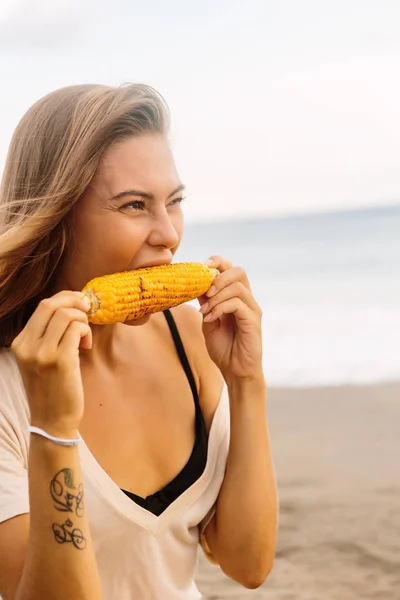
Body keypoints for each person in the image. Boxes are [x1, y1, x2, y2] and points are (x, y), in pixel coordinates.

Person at [0, 83, 278, 600]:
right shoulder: (8, 390)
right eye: (133, 205)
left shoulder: (191, 335)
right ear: (57, 220)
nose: (168, 234)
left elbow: (248, 562)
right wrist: (55, 430)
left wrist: (246, 379)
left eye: (174, 202)